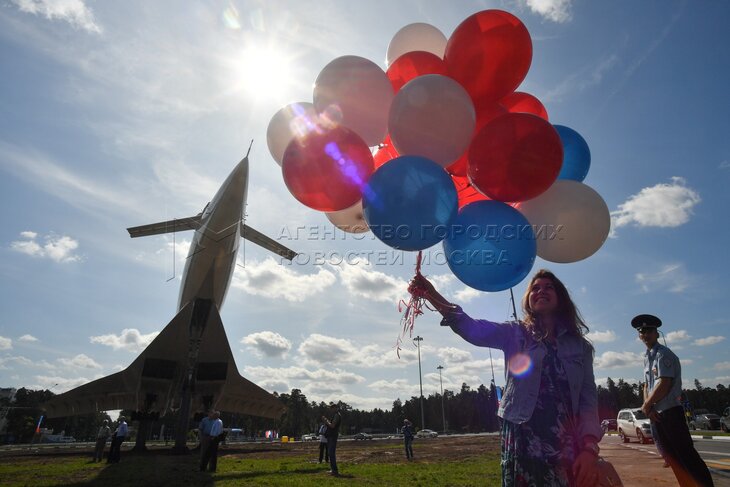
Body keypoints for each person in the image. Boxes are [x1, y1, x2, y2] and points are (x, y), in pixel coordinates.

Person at [410, 269, 602, 486]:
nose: (541, 291)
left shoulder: (581, 347)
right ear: (528, 299)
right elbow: (472, 328)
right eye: (535, 288)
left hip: (566, 441)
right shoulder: (516, 333)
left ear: (561, 297)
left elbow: (588, 400)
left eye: (549, 287)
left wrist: (589, 448)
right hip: (523, 438)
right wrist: (431, 293)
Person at [634, 314, 714, 486]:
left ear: (657, 333)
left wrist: (647, 405)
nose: (645, 334)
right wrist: (649, 408)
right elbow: (647, 387)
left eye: (649, 331)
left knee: (687, 457)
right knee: (672, 459)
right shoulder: (646, 358)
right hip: (657, 415)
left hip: (671, 413)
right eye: (642, 332)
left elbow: (664, 383)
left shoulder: (664, 355)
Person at [322, 402, 341, 477]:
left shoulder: (337, 415)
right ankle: (333, 469)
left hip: (333, 436)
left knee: (331, 453)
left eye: (332, 408)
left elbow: (332, 426)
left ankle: (335, 470)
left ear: (335, 408)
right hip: (331, 436)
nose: (331, 410)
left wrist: (326, 421)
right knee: (330, 453)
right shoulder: (335, 415)